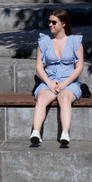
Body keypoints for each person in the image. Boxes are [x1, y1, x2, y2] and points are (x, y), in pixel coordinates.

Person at [30, 9, 84, 145]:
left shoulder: (75, 41)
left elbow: (79, 67)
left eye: (54, 22)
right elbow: (39, 66)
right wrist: (49, 83)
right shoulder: (44, 41)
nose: (50, 25)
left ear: (64, 24)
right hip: (49, 81)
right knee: (41, 97)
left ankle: (65, 133)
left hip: (69, 82)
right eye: (49, 22)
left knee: (64, 98)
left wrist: (65, 83)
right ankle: (36, 132)